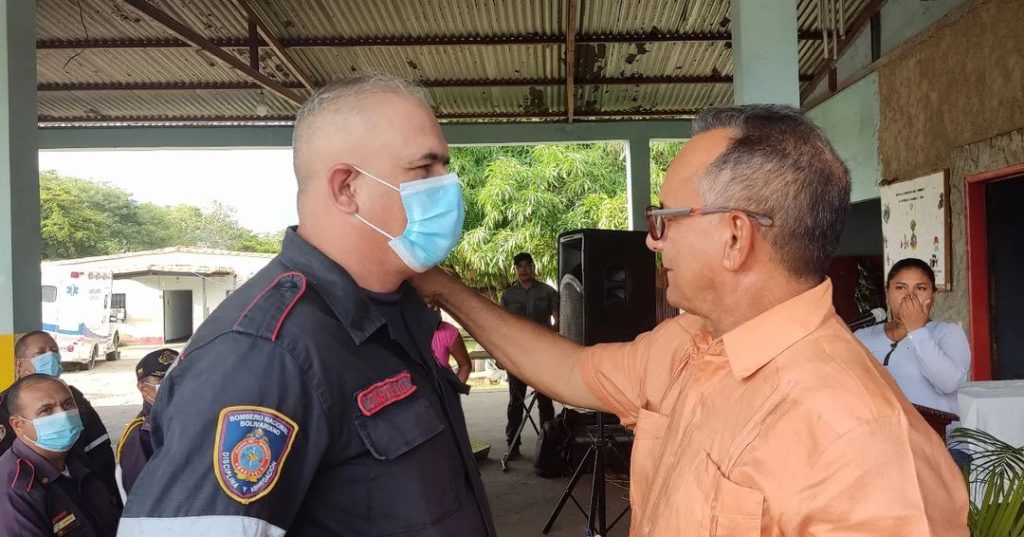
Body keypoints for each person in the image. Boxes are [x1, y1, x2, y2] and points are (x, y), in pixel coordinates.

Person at [413, 105, 968, 535]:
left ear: (734, 236)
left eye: (664, 217)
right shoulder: (689, 342)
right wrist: (443, 288)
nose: (653, 240)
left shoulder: (860, 440)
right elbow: (572, 369)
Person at [119, 76, 496, 536]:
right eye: (425, 168)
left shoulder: (403, 309)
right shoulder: (263, 352)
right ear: (346, 189)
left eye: (445, 165)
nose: (449, 184)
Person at [0, 331, 120, 507]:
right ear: (20, 364)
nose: (50, 356)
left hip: (83, 491)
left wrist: (110, 498)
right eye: (40, 353)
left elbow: (100, 451)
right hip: (35, 499)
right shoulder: (4, 407)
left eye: (54, 350)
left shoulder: (75, 398)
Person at [0, 374, 121, 536]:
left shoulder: (76, 458)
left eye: (68, 404)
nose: (63, 415)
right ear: (18, 425)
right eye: (47, 410)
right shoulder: (15, 488)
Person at [855, 258, 970, 415]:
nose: (910, 296)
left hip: (934, 436)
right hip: (879, 434)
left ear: (933, 295)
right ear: (887, 292)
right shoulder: (862, 337)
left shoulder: (948, 333)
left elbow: (948, 384)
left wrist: (916, 330)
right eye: (901, 288)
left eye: (920, 289)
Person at [500, 252, 557, 459]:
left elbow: (558, 322)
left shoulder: (549, 292)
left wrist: (550, 341)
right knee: (516, 401)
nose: (524, 270)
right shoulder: (508, 296)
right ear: (515, 269)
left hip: (542, 355)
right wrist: (502, 354)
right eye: (519, 266)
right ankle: (512, 445)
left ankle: (548, 444)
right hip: (516, 355)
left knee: (545, 400)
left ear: (533, 267)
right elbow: (502, 327)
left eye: (527, 265)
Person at [116, 347, 178, 495]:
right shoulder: (141, 436)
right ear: (144, 389)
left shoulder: (184, 419)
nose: (175, 385)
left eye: (179, 376)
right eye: (163, 381)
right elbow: (142, 496)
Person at [432, 319, 473, 384]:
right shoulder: (410, 335)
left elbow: (465, 365)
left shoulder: (447, 331)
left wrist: (453, 390)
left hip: (441, 391)